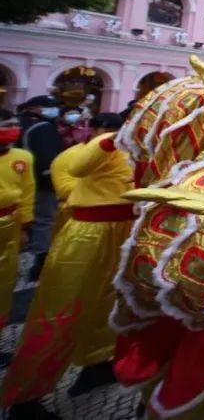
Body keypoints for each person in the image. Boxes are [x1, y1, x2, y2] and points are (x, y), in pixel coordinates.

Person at [3, 114, 135, 415]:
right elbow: (72, 178)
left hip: (124, 233)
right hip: (88, 233)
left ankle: (98, 363)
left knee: (111, 303)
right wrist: (109, 141)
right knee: (60, 311)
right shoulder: (81, 152)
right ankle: (24, 397)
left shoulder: (144, 150)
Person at [16, 95, 63, 282]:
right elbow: (48, 159)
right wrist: (54, 180)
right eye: (49, 106)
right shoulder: (43, 128)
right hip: (42, 183)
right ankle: (40, 261)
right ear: (34, 108)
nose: (55, 110)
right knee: (44, 220)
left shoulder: (19, 123)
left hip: (18, 181)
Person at [0, 110, 34, 330]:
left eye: (15, 125)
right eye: (6, 125)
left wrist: (25, 225)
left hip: (11, 221)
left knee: (6, 271)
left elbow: (28, 192)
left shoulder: (23, 157)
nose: (13, 130)